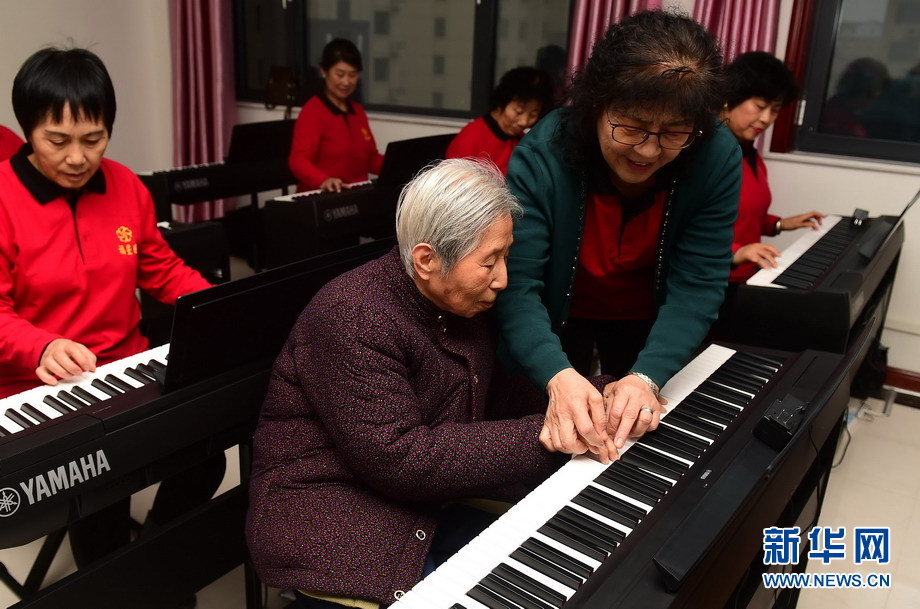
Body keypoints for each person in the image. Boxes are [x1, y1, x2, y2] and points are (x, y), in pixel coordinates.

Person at [245, 158, 618, 608]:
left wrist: (592, 398)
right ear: (426, 259)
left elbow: (496, 394)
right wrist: (553, 436)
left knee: (572, 565)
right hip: (332, 518)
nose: (503, 278)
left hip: (420, 502)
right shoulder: (352, 315)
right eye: (489, 262)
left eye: (506, 255)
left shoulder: (457, 300)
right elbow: (403, 461)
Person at [0, 47, 224, 599]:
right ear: (27, 130)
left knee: (205, 459)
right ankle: (126, 585)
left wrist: (226, 303)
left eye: (94, 138)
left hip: (125, 366)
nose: (78, 157)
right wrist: (41, 345)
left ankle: (156, 561)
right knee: (98, 486)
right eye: (58, 141)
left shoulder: (126, 186)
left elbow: (161, 270)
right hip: (42, 385)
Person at [495, 9, 743, 463]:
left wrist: (646, 376)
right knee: (553, 437)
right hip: (555, 316)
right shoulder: (544, 151)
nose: (648, 150)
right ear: (595, 103)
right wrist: (557, 374)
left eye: (672, 133)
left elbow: (698, 284)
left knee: (639, 440)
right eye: (630, 126)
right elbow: (518, 283)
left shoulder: (716, 155)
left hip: (648, 319)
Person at [720, 51, 825, 283]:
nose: (767, 118)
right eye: (760, 106)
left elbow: (744, 217)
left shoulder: (749, 153)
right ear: (731, 98)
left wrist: (781, 224)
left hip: (747, 276)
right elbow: (685, 229)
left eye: (775, 109)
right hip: (712, 279)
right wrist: (735, 252)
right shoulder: (705, 152)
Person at [288, 38, 384, 193]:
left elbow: (371, 159)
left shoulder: (357, 111)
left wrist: (402, 164)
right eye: (340, 74)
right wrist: (323, 180)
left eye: (352, 75)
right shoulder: (313, 111)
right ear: (324, 72)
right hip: (322, 195)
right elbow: (298, 160)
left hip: (355, 194)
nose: (346, 82)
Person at [446, 66, 555, 174]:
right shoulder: (471, 138)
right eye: (518, 111)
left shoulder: (520, 140)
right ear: (501, 102)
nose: (524, 122)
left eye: (532, 115)